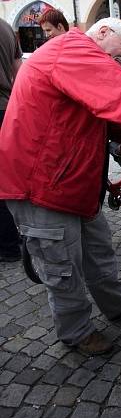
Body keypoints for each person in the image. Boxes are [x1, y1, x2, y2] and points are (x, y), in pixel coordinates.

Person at [0, 17, 121, 356]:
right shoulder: (73, 49)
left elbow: (111, 119)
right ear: (102, 33)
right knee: (62, 268)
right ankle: (77, 332)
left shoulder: (72, 54)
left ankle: (118, 303)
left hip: (67, 180)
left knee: (98, 249)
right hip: (41, 186)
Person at [0, 17, 22, 262]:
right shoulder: (5, 26)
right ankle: (14, 239)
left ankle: (8, 247)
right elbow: (19, 70)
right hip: (6, 108)